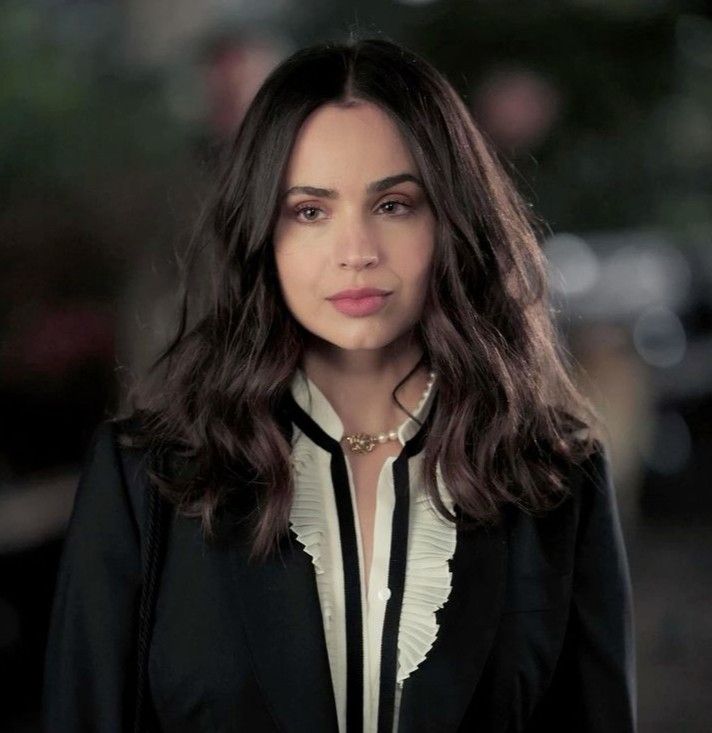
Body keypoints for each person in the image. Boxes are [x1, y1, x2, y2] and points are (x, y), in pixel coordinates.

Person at [42, 36, 636, 733]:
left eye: (394, 205)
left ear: (452, 221)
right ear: (262, 231)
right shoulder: (145, 480)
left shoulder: (555, 480)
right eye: (310, 211)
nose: (356, 252)